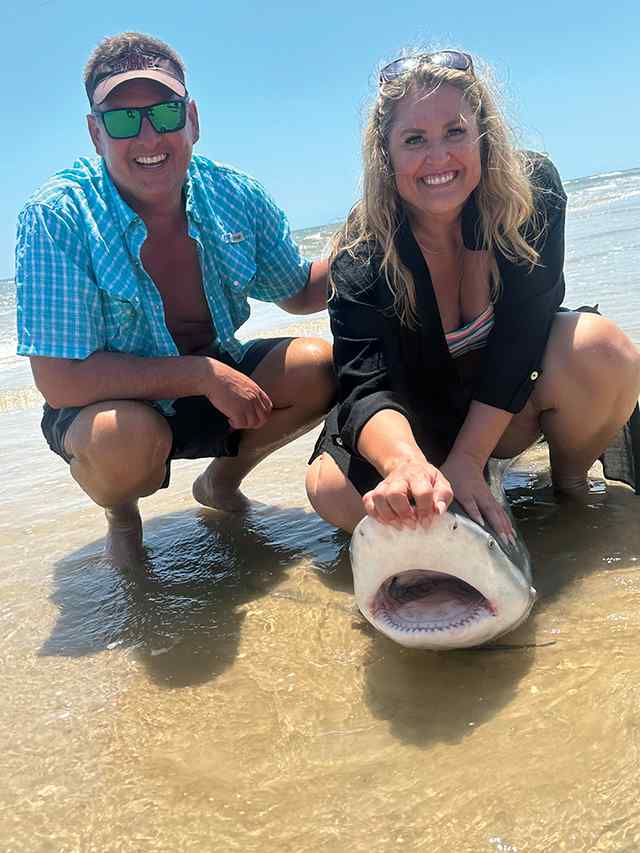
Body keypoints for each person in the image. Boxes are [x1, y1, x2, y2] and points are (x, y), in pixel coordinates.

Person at [15, 32, 334, 568]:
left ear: (193, 120)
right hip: (111, 410)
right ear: (96, 134)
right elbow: (60, 380)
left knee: (319, 367)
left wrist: (373, 236)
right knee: (122, 438)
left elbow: (299, 292)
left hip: (212, 379)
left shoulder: (236, 196)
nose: (147, 136)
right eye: (121, 119)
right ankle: (123, 514)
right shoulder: (57, 216)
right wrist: (202, 375)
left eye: (163, 112)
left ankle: (219, 483)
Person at [306, 49, 640, 542]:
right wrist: (405, 467)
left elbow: (526, 333)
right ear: (385, 153)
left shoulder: (531, 195)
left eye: (455, 132)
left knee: (600, 348)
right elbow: (364, 383)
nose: (437, 157)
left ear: (483, 134)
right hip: (419, 416)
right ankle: (444, 494)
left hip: (508, 401)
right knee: (332, 491)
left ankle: (570, 489)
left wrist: (468, 458)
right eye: (414, 139)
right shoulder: (361, 251)